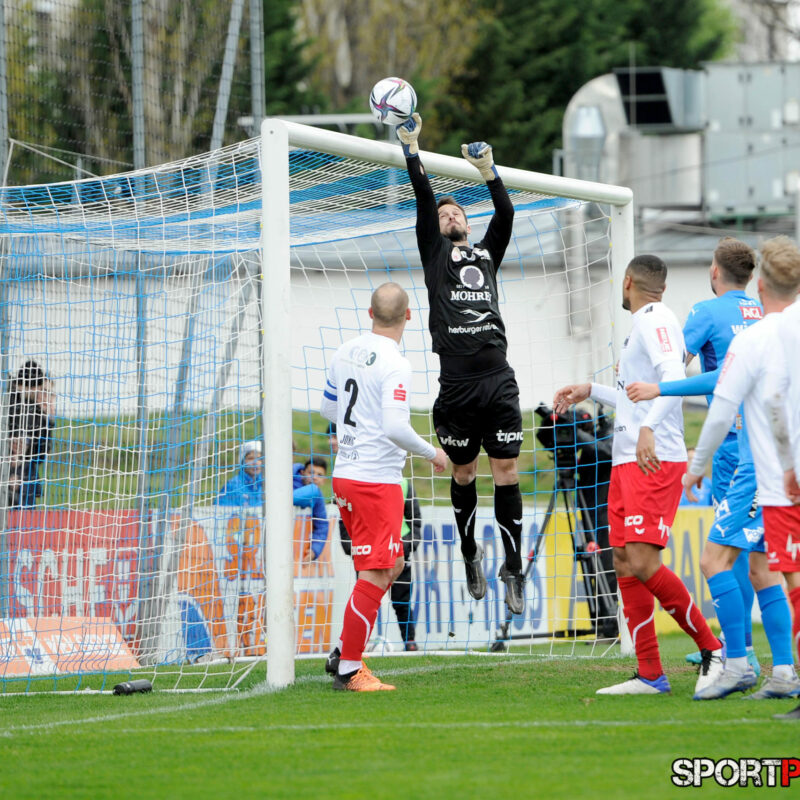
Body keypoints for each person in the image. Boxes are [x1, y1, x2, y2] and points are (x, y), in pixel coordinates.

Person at [554, 254, 723, 696]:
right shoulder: (641, 326)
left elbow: (673, 375)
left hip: (654, 457)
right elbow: (636, 395)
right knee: (624, 561)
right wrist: (592, 390)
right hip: (626, 459)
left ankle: (714, 649)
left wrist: (649, 428)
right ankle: (650, 673)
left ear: (627, 281)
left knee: (645, 562)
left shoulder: (655, 319)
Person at [396, 113, 525, 615]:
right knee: (465, 473)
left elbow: (506, 213)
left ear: (468, 225)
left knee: (507, 470)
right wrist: (412, 149)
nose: (450, 216)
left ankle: (512, 566)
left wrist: (488, 171)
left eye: (457, 213)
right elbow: (423, 198)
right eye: (444, 214)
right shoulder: (434, 255)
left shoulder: (487, 255)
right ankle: (471, 553)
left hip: (499, 380)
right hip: (457, 386)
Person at [627, 238, 762, 674]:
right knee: (757, 557)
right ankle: (760, 656)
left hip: (733, 443)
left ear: (715, 271)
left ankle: (739, 652)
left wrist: (652, 393)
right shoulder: (764, 312)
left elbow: (673, 361)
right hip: (770, 441)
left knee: (725, 551)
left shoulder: (706, 311)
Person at [685, 236, 800, 701]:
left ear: (761, 284)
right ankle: (783, 672)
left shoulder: (752, 339)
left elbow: (720, 410)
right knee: (767, 570)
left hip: (760, 472)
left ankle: (738, 663)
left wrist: (696, 466)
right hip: (781, 473)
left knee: (714, 560)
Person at [320, 282, 447, 691]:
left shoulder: (345, 351)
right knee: (378, 572)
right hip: (375, 480)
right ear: (409, 316)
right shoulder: (396, 362)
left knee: (391, 565)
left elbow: (327, 408)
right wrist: (432, 452)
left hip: (346, 474)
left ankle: (343, 650)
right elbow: (394, 426)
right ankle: (349, 669)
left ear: (370, 313)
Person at [764, 286, 800, 720]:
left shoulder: (775, 330)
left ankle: (738, 661)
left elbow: (774, 399)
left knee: (792, 582)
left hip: (781, 480)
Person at [217, 440, 329, 562]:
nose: (314, 477)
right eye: (251, 458)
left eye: (288, 454)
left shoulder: (303, 486)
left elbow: (321, 521)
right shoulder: (240, 483)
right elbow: (222, 515)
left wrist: (315, 549)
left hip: (272, 546)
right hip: (244, 544)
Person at [7, 360, 56, 508]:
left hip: (24, 482)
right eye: (42, 391)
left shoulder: (39, 415)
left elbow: (40, 455)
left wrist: (49, 420)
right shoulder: (11, 405)